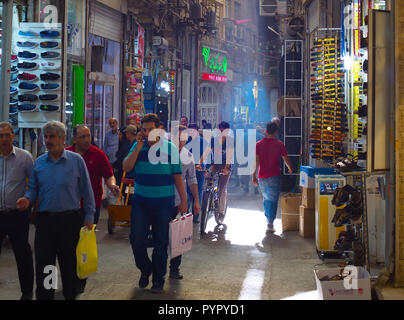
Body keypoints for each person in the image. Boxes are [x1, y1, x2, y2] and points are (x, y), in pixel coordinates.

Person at [17, 121, 96, 300]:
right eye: (46, 136)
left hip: (70, 221)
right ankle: (47, 295)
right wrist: (27, 199)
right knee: (46, 265)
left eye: (52, 136)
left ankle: (70, 295)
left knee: (69, 264)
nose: (48, 140)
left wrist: (89, 216)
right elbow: (33, 188)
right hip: (45, 221)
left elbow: (86, 190)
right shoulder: (40, 163)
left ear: (62, 138)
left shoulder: (76, 161)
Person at [123, 113, 187, 293]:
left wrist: (183, 200)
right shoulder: (137, 146)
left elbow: (177, 176)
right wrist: (138, 146)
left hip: (164, 204)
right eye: (144, 129)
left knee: (161, 243)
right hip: (141, 203)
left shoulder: (170, 148)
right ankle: (145, 269)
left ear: (159, 129)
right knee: (136, 240)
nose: (147, 132)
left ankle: (158, 280)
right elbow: (126, 167)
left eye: (151, 129)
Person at [0, 122, 34, 300]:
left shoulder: (24, 157)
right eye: (1, 136)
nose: (4, 139)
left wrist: (28, 198)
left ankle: (27, 292)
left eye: (8, 135)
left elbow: (34, 183)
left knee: (22, 253)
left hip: (17, 214)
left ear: (13, 135)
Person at [66, 125, 120, 225]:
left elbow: (109, 175)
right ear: (74, 139)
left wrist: (112, 185)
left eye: (88, 136)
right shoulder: (66, 154)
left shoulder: (99, 155)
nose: (87, 140)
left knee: (87, 237)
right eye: (83, 137)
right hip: (69, 204)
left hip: (92, 204)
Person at [169, 125, 200, 279]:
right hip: (163, 200)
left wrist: (196, 201)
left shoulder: (188, 156)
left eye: (182, 138)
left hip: (180, 202)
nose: (180, 141)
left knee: (178, 237)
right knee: (161, 237)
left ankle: (174, 268)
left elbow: (192, 179)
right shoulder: (163, 153)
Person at [252, 122, 293, 234]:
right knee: (273, 200)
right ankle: (270, 222)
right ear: (275, 132)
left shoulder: (258, 144)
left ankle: (268, 219)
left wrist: (254, 176)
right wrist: (290, 168)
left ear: (265, 131)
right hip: (275, 176)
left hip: (262, 177)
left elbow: (256, 161)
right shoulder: (279, 144)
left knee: (266, 199)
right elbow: (286, 158)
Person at [201, 121, 233, 222]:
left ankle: (221, 211)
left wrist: (227, 168)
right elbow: (206, 152)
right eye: (219, 129)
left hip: (225, 166)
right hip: (215, 165)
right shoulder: (213, 140)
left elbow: (229, 155)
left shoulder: (230, 141)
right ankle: (207, 198)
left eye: (223, 130)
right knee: (206, 181)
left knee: (221, 189)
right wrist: (199, 163)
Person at [187, 123, 207, 223]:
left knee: (197, 192)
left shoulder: (203, 141)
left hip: (198, 169)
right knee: (189, 192)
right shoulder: (187, 141)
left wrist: (201, 164)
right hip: (189, 169)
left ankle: (195, 215)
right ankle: (188, 215)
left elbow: (206, 154)